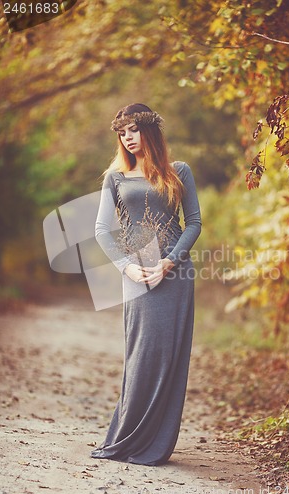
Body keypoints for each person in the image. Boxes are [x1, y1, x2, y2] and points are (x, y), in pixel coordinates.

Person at [91, 103, 201, 466]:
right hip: (137, 275)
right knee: (141, 354)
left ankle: (156, 444)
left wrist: (170, 261)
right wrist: (127, 267)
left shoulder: (179, 171)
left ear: (149, 131)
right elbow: (101, 230)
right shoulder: (116, 178)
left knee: (169, 357)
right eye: (122, 133)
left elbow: (194, 223)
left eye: (133, 130)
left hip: (176, 274)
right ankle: (127, 438)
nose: (127, 138)